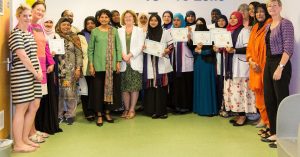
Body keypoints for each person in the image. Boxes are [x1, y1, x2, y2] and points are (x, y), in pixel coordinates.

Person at [8, 4, 43, 152]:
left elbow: (34, 54)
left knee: (34, 105)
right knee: (21, 109)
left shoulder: (28, 34)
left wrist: (39, 70)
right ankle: (18, 144)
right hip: (22, 75)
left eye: (29, 15)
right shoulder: (15, 34)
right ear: (18, 16)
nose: (28, 18)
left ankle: (24, 138)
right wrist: (35, 73)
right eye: (25, 16)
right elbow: (22, 56)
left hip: (34, 74)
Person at [261, 0, 294, 148]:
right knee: (269, 99)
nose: (271, 8)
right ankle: (274, 132)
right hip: (268, 64)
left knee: (281, 101)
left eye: (275, 5)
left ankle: (284, 136)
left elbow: (288, 48)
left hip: (280, 63)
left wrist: (280, 67)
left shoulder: (285, 24)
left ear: (280, 7)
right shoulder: (268, 26)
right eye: (269, 5)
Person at [219, 11, 256, 126]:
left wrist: (234, 50)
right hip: (230, 66)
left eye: (235, 18)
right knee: (233, 92)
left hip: (240, 67)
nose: (232, 20)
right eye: (231, 18)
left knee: (241, 92)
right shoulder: (228, 31)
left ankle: (243, 116)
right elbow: (225, 46)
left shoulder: (244, 31)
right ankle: (238, 114)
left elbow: (248, 48)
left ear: (240, 19)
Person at [88, 9, 122, 126]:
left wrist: (118, 62)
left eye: (106, 17)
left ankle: (107, 112)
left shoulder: (114, 31)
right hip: (98, 67)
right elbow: (90, 50)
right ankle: (99, 115)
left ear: (109, 19)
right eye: (101, 17)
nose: (104, 19)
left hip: (111, 66)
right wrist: (91, 65)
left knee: (110, 90)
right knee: (98, 92)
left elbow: (118, 47)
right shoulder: (95, 31)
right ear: (98, 18)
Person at [28, 1, 55, 143]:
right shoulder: (25, 26)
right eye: (37, 9)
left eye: (42, 10)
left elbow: (46, 46)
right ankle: (30, 132)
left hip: (43, 67)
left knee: (37, 101)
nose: (40, 12)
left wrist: (51, 62)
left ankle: (33, 130)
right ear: (32, 10)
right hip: (33, 67)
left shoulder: (39, 26)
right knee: (32, 102)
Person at [142, 14, 173, 119]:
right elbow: (141, 46)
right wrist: (143, 47)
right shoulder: (145, 33)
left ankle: (162, 111)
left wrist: (167, 50)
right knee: (151, 88)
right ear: (149, 22)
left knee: (161, 87)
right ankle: (153, 111)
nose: (153, 22)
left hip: (161, 63)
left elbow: (171, 45)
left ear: (159, 22)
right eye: (151, 20)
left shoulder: (165, 32)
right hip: (150, 64)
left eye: (155, 20)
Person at [246, 3, 272, 130]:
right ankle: (264, 119)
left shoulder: (271, 25)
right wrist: (250, 61)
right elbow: (249, 47)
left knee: (268, 95)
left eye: (262, 11)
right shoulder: (255, 27)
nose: (259, 14)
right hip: (254, 67)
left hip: (266, 67)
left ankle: (269, 123)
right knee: (259, 95)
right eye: (257, 12)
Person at [36, 17, 63, 135]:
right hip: (41, 66)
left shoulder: (56, 36)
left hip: (52, 66)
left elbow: (60, 52)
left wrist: (54, 55)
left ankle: (50, 121)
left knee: (52, 93)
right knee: (41, 95)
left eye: (51, 22)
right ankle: (40, 124)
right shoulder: (38, 33)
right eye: (46, 21)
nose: (48, 24)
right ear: (42, 23)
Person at [55, 17, 83, 125]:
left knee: (70, 93)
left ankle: (70, 115)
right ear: (59, 26)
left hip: (70, 71)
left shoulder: (74, 37)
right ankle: (59, 115)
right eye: (64, 25)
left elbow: (79, 54)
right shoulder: (55, 37)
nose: (66, 27)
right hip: (57, 70)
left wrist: (78, 68)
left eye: (68, 25)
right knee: (59, 93)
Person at [188, 18, 218, 116]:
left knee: (207, 86)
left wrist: (202, 51)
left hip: (208, 63)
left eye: (201, 23)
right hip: (198, 63)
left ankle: (209, 109)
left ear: (205, 24)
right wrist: (197, 49)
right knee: (199, 85)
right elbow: (193, 51)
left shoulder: (210, 34)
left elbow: (213, 50)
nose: (199, 25)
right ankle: (199, 108)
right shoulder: (194, 36)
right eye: (197, 24)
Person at [118, 10, 144, 119]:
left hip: (135, 61)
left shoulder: (139, 30)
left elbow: (141, 45)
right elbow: (117, 45)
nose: (128, 18)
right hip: (123, 62)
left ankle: (132, 109)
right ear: (123, 19)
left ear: (134, 18)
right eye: (126, 17)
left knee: (134, 87)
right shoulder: (118, 31)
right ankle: (126, 109)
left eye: (130, 16)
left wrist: (130, 55)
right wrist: (124, 56)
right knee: (124, 88)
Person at [169, 13, 194, 114]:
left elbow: (194, 47)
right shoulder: (169, 32)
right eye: (174, 20)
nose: (176, 22)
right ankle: (176, 105)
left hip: (185, 63)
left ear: (182, 21)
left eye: (178, 20)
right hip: (174, 62)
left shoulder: (188, 31)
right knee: (175, 85)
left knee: (185, 85)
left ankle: (186, 106)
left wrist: (189, 39)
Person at [78, 16, 96, 122]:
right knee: (85, 91)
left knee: (95, 90)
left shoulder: (98, 33)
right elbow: (79, 52)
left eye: (92, 23)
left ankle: (95, 110)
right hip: (85, 67)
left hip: (97, 66)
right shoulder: (80, 35)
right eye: (88, 23)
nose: (90, 25)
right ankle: (87, 112)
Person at [214, 15, 228, 117]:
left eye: (223, 20)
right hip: (217, 60)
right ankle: (219, 107)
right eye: (219, 21)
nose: (221, 22)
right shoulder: (213, 32)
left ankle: (226, 108)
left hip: (227, 61)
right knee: (219, 86)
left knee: (226, 87)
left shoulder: (229, 31)